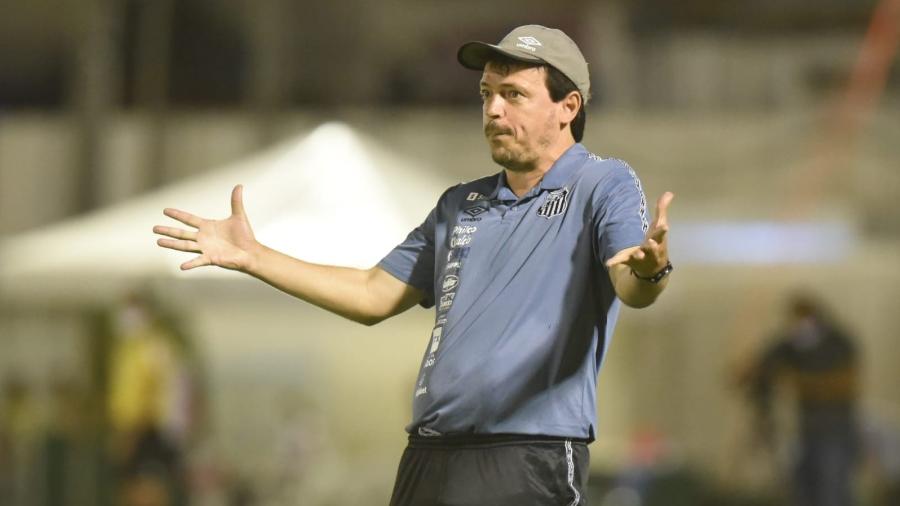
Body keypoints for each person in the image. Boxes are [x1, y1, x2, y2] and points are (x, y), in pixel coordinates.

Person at [154, 24, 674, 505]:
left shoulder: (602, 183)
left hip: (527, 455)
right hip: (430, 454)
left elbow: (629, 280)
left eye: (513, 95)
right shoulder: (459, 204)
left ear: (568, 106)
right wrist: (254, 257)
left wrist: (650, 271)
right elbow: (371, 294)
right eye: (487, 95)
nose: (493, 110)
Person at [742, 293, 860, 506]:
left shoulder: (838, 342)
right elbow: (765, 364)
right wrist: (752, 373)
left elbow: (844, 383)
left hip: (835, 429)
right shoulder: (791, 344)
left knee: (832, 490)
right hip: (805, 430)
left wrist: (797, 382)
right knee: (803, 490)